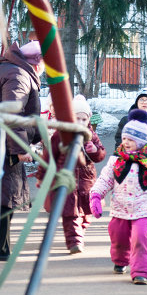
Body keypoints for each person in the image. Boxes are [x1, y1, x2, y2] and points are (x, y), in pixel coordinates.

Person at [89, 110, 147, 285]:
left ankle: (141, 271)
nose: (125, 143)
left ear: (140, 141)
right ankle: (120, 259)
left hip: (143, 209)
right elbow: (105, 179)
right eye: (124, 139)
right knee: (118, 235)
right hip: (119, 208)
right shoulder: (117, 159)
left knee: (141, 237)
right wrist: (95, 196)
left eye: (130, 140)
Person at [0, 39, 44, 260]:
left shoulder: (6, 68)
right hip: (4, 145)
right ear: (36, 63)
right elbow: (13, 115)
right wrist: (20, 148)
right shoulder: (19, 75)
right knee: (6, 194)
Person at [37, 94, 105, 254]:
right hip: (66, 180)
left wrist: (95, 151)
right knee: (70, 212)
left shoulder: (91, 135)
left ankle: (80, 230)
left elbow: (101, 154)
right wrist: (42, 176)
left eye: (84, 119)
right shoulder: (60, 135)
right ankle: (74, 240)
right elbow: (48, 156)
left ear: (88, 119)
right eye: (77, 118)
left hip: (86, 180)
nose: (81, 122)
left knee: (86, 212)